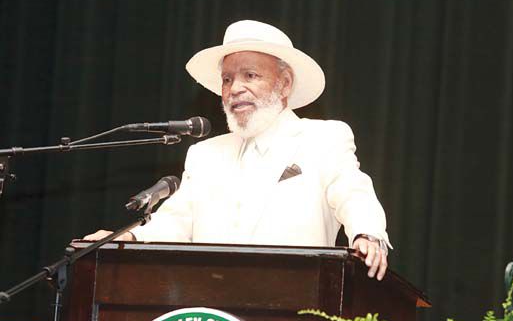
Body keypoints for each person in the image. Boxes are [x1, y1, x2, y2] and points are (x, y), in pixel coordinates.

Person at [85, 20, 391, 280]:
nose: (234, 89)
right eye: (227, 79)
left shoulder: (322, 138)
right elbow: (175, 221)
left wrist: (367, 233)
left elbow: (353, 193)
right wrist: (125, 238)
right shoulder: (205, 155)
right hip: (209, 306)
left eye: (250, 76)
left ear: (285, 84)